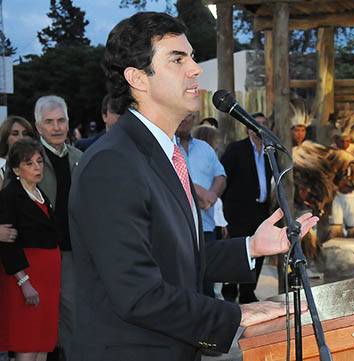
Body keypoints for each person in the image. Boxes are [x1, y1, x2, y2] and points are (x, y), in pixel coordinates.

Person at [68, 12, 317, 361]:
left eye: (193, 57)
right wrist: (238, 314)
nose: (195, 69)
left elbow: (178, 260)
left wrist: (251, 247)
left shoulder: (164, 153)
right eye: (177, 59)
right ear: (137, 78)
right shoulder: (112, 164)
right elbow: (137, 293)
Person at [0, 139, 61, 361]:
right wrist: (24, 282)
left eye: (39, 161)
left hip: (48, 279)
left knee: (43, 342)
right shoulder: (9, 196)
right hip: (27, 277)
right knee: (27, 343)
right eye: (29, 163)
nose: (37, 167)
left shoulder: (40, 193)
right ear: (16, 169)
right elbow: (8, 244)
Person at [34, 95, 82, 360]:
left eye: (61, 120)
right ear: (38, 126)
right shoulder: (27, 159)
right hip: (40, 253)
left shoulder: (81, 158)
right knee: (41, 318)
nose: (56, 127)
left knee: (74, 316)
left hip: (73, 251)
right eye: (49, 122)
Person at [220, 112, 273, 304]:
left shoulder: (270, 151)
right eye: (255, 124)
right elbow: (223, 178)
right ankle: (231, 287)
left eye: (263, 124)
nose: (259, 128)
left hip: (260, 210)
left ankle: (248, 291)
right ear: (247, 128)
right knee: (239, 251)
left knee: (260, 250)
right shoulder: (236, 149)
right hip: (238, 210)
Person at [175, 114, 226, 298]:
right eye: (181, 113)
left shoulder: (205, 148)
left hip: (206, 227)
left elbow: (220, 176)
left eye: (189, 115)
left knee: (207, 282)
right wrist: (202, 195)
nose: (184, 118)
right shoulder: (166, 147)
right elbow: (175, 179)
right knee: (183, 283)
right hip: (179, 228)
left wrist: (211, 195)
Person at [0, 115, 36, 187]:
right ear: (6, 138)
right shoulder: (1, 166)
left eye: (25, 134)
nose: (21, 138)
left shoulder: (38, 164)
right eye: (15, 134)